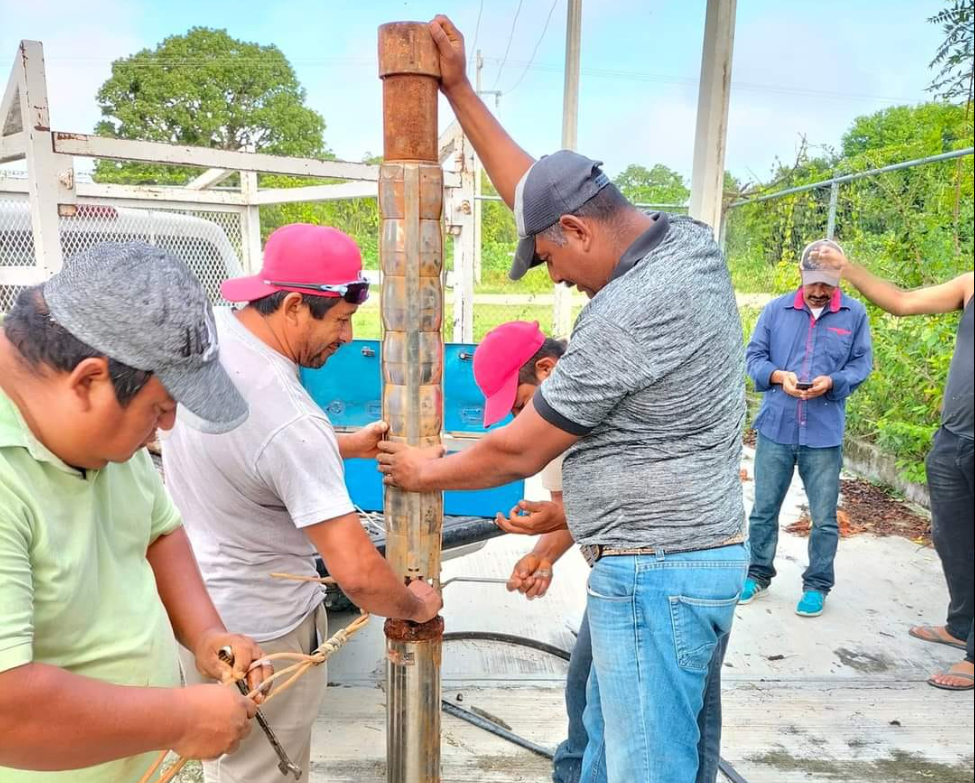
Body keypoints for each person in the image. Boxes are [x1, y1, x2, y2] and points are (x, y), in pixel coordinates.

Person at [377, 16, 749, 783]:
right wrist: (458, 90)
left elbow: (518, 447)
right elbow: (535, 187)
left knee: (645, 768)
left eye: (546, 256)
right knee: (620, 752)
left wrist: (425, 468)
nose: (552, 277)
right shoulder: (685, 241)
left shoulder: (628, 312)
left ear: (577, 230)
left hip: (655, 573)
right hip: (679, 557)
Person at [161, 223, 443, 782]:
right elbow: (359, 574)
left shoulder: (211, 338)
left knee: (229, 764)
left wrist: (342, 447)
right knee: (266, 772)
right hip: (264, 633)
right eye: (338, 320)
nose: (347, 334)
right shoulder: (291, 419)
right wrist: (415, 606)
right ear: (293, 306)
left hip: (197, 610)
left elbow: (248, 450)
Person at [0, 242, 268, 782]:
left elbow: (158, 531)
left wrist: (204, 634)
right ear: (88, 381)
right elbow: (8, 709)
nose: (166, 427)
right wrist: (179, 716)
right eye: (160, 408)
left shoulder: (100, 436)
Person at [814, 244, 973, 690]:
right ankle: (961, 626)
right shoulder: (970, 283)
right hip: (954, 438)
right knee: (951, 537)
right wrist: (847, 268)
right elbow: (902, 302)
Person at [740, 240, 873, 617]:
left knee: (824, 516)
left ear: (838, 280)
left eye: (827, 284)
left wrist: (832, 382)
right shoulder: (775, 310)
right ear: (801, 274)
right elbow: (753, 357)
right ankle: (757, 574)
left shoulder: (854, 314)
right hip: (776, 428)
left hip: (823, 432)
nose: (818, 291)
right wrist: (778, 376)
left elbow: (861, 365)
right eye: (813, 282)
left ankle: (816, 585)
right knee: (764, 509)